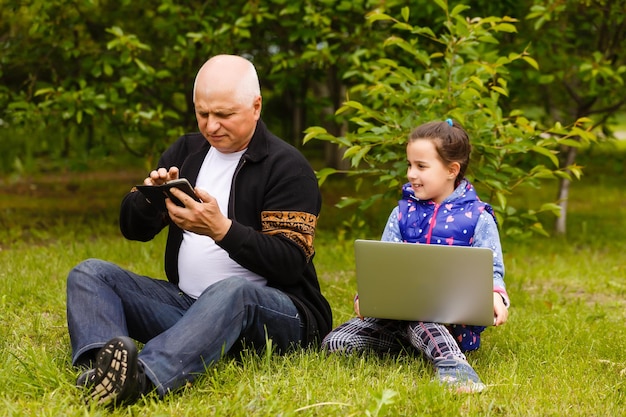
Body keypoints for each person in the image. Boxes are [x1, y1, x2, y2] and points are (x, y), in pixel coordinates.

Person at [66, 54, 332, 408]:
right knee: (90, 274)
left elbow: (289, 262)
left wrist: (221, 230)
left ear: (256, 107)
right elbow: (132, 230)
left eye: (224, 115)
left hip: (277, 317)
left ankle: (143, 377)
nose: (211, 125)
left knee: (235, 290)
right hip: (189, 308)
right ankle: (102, 369)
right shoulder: (187, 151)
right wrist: (149, 202)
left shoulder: (288, 167)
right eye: (202, 113)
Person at [322, 119, 509, 393]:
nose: (411, 173)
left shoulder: (478, 218)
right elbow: (384, 264)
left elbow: (492, 269)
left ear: (451, 170)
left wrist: (495, 295)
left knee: (423, 315)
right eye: (409, 164)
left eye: (421, 166)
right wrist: (369, 296)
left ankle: (455, 366)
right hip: (396, 318)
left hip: (448, 322)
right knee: (337, 343)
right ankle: (413, 346)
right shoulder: (402, 213)